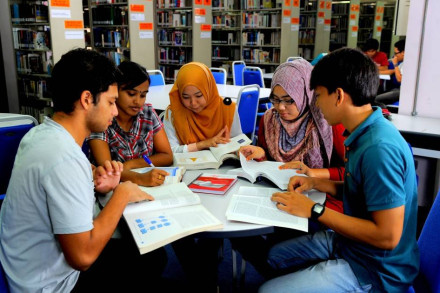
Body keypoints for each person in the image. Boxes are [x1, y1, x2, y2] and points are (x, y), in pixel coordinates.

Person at [0, 49, 166, 292]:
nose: (115, 111)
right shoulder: (64, 157)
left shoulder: (40, 133)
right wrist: (122, 193)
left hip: (21, 265)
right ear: (87, 99)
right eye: (110, 102)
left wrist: (93, 181)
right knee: (152, 258)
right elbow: (83, 258)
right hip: (51, 283)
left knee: (146, 254)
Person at [259, 48, 419, 292]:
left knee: (267, 290)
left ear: (339, 96)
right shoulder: (363, 131)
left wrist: (314, 209)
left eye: (319, 95)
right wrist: (315, 183)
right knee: (274, 256)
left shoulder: (379, 148)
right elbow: (361, 190)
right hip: (353, 245)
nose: (316, 103)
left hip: (376, 268)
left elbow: (388, 236)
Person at [232, 59, 346, 279]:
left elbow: (348, 174)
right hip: (277, 194)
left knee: (284, 241)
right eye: (275, 100)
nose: (280, 108)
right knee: (237, 228)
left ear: (306, 94)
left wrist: (314, 174)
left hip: (319, 199)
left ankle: (279, 273)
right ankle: (276, 272)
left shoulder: (327, 123)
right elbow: (271, 164)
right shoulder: (269, 120)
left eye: (288, 100)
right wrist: (260, 154)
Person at [88, 61, 173, 187]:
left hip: (149, 186)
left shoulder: (147, 112)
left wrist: (132, 164)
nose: (137, 101)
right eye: (131, 94)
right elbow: (107, 169)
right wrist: (139, 178)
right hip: (113, 189)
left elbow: (167, 156)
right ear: (116, 90)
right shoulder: (102, 118)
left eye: (143, 95)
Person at [163, 61, 242, 153]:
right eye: (186, 97)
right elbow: (170, 151)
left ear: (209, 90)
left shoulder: (228, 109)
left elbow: (240, 142)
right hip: (187, 166)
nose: (193, 103)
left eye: (199, 95)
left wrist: (238, 150)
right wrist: (202, 144)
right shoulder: (173, 113)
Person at [376, 39, 406, 105]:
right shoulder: (401, 64)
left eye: (396, 53)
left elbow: (400, 79)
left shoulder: (407, 63)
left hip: (403, 91)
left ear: (403, 52)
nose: (395, 56)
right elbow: (392, 71)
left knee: (377, 99)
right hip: (397, 89)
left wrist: (395, 64)